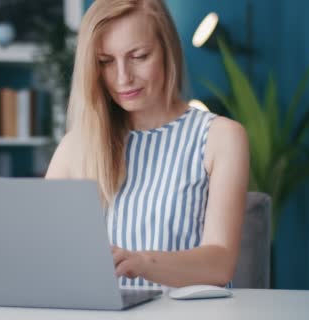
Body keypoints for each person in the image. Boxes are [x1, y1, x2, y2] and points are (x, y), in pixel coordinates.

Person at [45, 0, 249, 289]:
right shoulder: (75, 146)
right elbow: (44, 253)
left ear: (168, 52)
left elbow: (219, 264)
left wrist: (142, 263)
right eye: (105, 62)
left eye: (139, 56)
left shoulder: (220, 138)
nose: (123, 78)